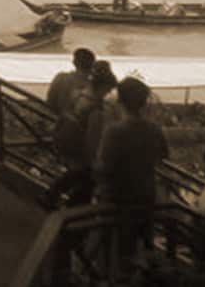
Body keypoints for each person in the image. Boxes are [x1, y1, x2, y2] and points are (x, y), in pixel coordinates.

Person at [93, 76, 167, 273]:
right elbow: (163, 155)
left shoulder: (114, 131)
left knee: (116, 251)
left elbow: (104, 166)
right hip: (145, 195)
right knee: (143, 245)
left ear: (120, 101)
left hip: (118, 198)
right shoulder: (153, 129)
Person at [40, 60, 117, 208]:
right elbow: (92, 138)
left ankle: (52, 197)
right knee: (84, 176)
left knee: (81, 177)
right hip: (78, 145)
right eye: (107, 90)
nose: (108, 94)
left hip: (65, 137)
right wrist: (95, 157)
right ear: (102, 87)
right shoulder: (95, 107)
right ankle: (59, 201)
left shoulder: (80, 94)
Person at [47, 47, 97, 117]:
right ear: (92, 65)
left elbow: (50, 102)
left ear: (74, 62)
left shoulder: (61, 78)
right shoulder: (94, 84)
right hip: (80, 123)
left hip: (58, 119)